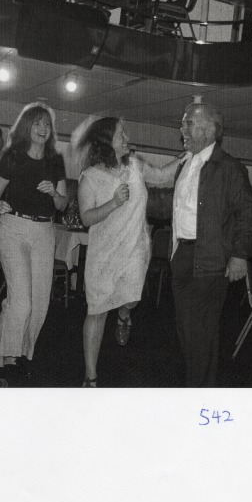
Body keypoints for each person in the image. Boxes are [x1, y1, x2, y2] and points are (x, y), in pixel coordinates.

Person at [76, 117, 182, 387]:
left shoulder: (134, 165)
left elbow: (161, 176)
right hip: (104, 253)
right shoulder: (89, 178)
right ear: (105, 142)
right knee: (97, 311)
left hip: (135, 246)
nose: (127, 138)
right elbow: (86, 218)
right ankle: (90, 376)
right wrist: (113, 203)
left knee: (132, 299)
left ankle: (124, 315)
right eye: (121, 135)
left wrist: (186, 157)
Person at [171, 103, 252, 387]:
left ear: (208, 130)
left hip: (209, 259)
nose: (182, 130)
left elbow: (246, 213)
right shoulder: (185, 163)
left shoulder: (229, 167)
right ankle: (202, 390)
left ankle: (195, 397)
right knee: (188, 332)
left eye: (188, 124)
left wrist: (240, 256)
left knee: (200, 333)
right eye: (183, 124)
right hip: (182, 254)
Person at [0, 102, 68, 381]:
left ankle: (18, 354)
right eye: (37, 123)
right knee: (20, 301)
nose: (43, 129)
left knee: (39, 303)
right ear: (27, 127)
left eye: (46, 124)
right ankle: (7, 359)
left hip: (44, 231)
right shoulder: (13, 156)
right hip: (14, 228)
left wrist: (54, 194)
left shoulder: (55, 160)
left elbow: (62, 203)